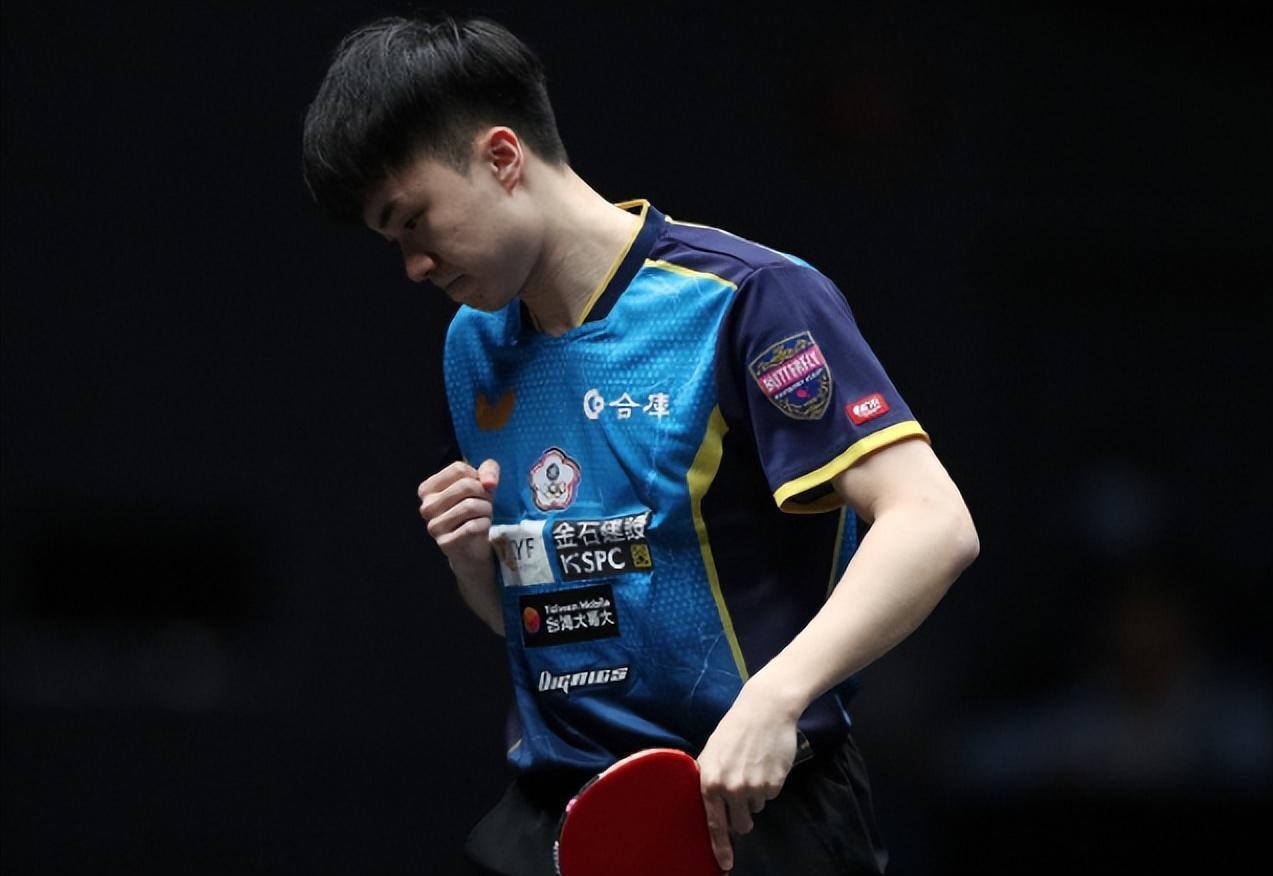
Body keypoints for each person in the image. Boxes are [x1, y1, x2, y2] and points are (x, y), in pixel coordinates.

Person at [302, 14, 978, 875]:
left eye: (414, 222)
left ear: (502, 158)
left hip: (750, 812)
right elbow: (549, 620)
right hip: (558, 817)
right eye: (393, 242)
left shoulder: (746, 301)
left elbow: (932, 522)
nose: (413, 266)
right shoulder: (473, 346)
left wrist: (778, 696)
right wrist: (479, 569)